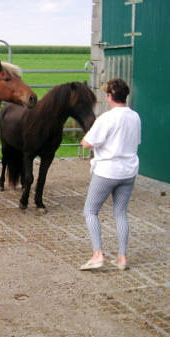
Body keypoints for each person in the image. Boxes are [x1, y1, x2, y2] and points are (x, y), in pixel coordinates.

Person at [80, 78, 141, 271]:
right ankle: (122, 258)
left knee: (90, 211)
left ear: (108, 96)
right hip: (129, 171)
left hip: (107, 172)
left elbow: (87, 143)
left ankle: (98, 255)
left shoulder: (106, 118)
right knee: (120, 212)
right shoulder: (135, 117)